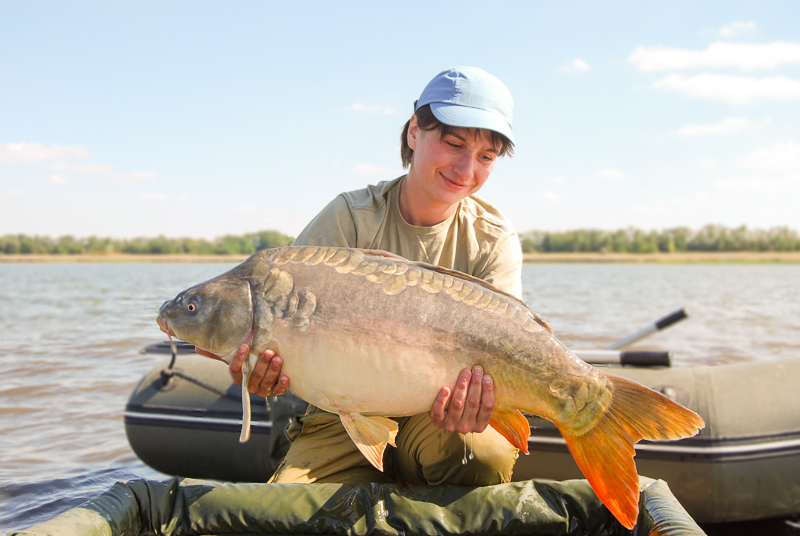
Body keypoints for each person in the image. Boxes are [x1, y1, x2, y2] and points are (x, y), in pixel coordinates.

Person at [229, 66, 524, 486]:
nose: (465, 168)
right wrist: (258, 374)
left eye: (485, 157)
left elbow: (506, 350)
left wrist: (478, 404)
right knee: (286, 510)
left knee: (484, 452)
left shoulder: (492, 239)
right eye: (454, 143)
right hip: (339, 415)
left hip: (438, 414)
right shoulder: (349, 218)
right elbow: (267, 339)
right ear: (413, 132)